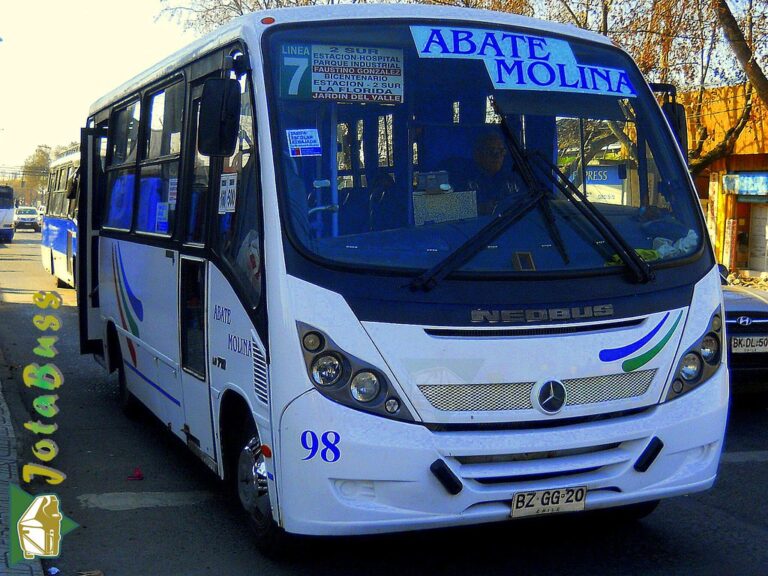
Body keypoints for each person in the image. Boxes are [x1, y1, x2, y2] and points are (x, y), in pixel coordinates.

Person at [450, 132, 520, 216]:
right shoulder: (460, 177)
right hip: (477, 228)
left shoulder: (513, 178)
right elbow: (435, 209)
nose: (497, 156)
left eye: (501, 151)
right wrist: (478, 208)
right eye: (491, 151)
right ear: (477, 154)